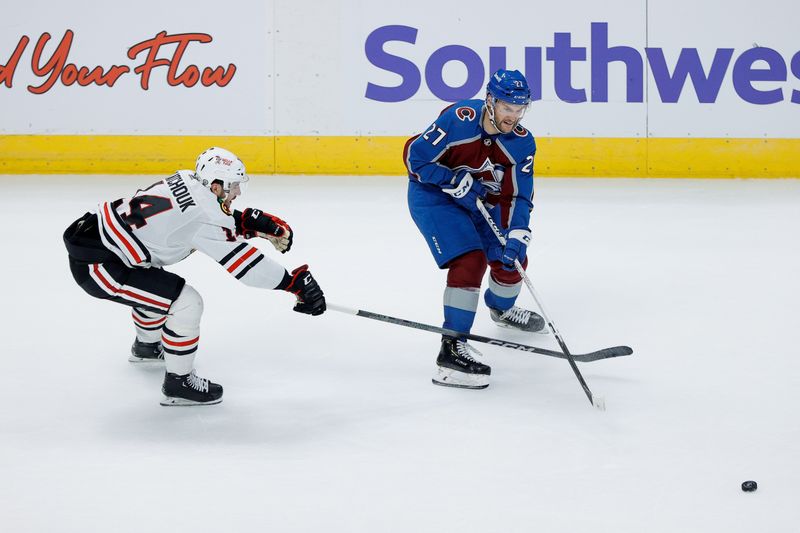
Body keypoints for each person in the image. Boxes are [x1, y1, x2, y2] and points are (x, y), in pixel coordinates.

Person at [63, 147, 326, 406]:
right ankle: (178, 383)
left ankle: (146, 347)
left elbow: (197, 218)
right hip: (100, 267)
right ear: (214, 186)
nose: (237, 192)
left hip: (98, 241)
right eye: (232, 186)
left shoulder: (188, 178)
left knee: (157, 288)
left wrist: (252, 225)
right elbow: (246, 266)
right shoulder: (204, 216)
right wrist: (291, 283)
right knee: (186, 304)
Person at [404, 69, 545, 390]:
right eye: (507, 108)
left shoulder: (522, 143)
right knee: (470, 260)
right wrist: (450, 179)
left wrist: (518, 232)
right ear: (491, 101)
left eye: (519, 109)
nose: (513, 116)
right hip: (434, 197)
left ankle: (502, 309)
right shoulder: (459, 118)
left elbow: (519, 195)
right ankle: (451, 350)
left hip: (480, 199)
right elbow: (415, 158)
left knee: (513, 262)